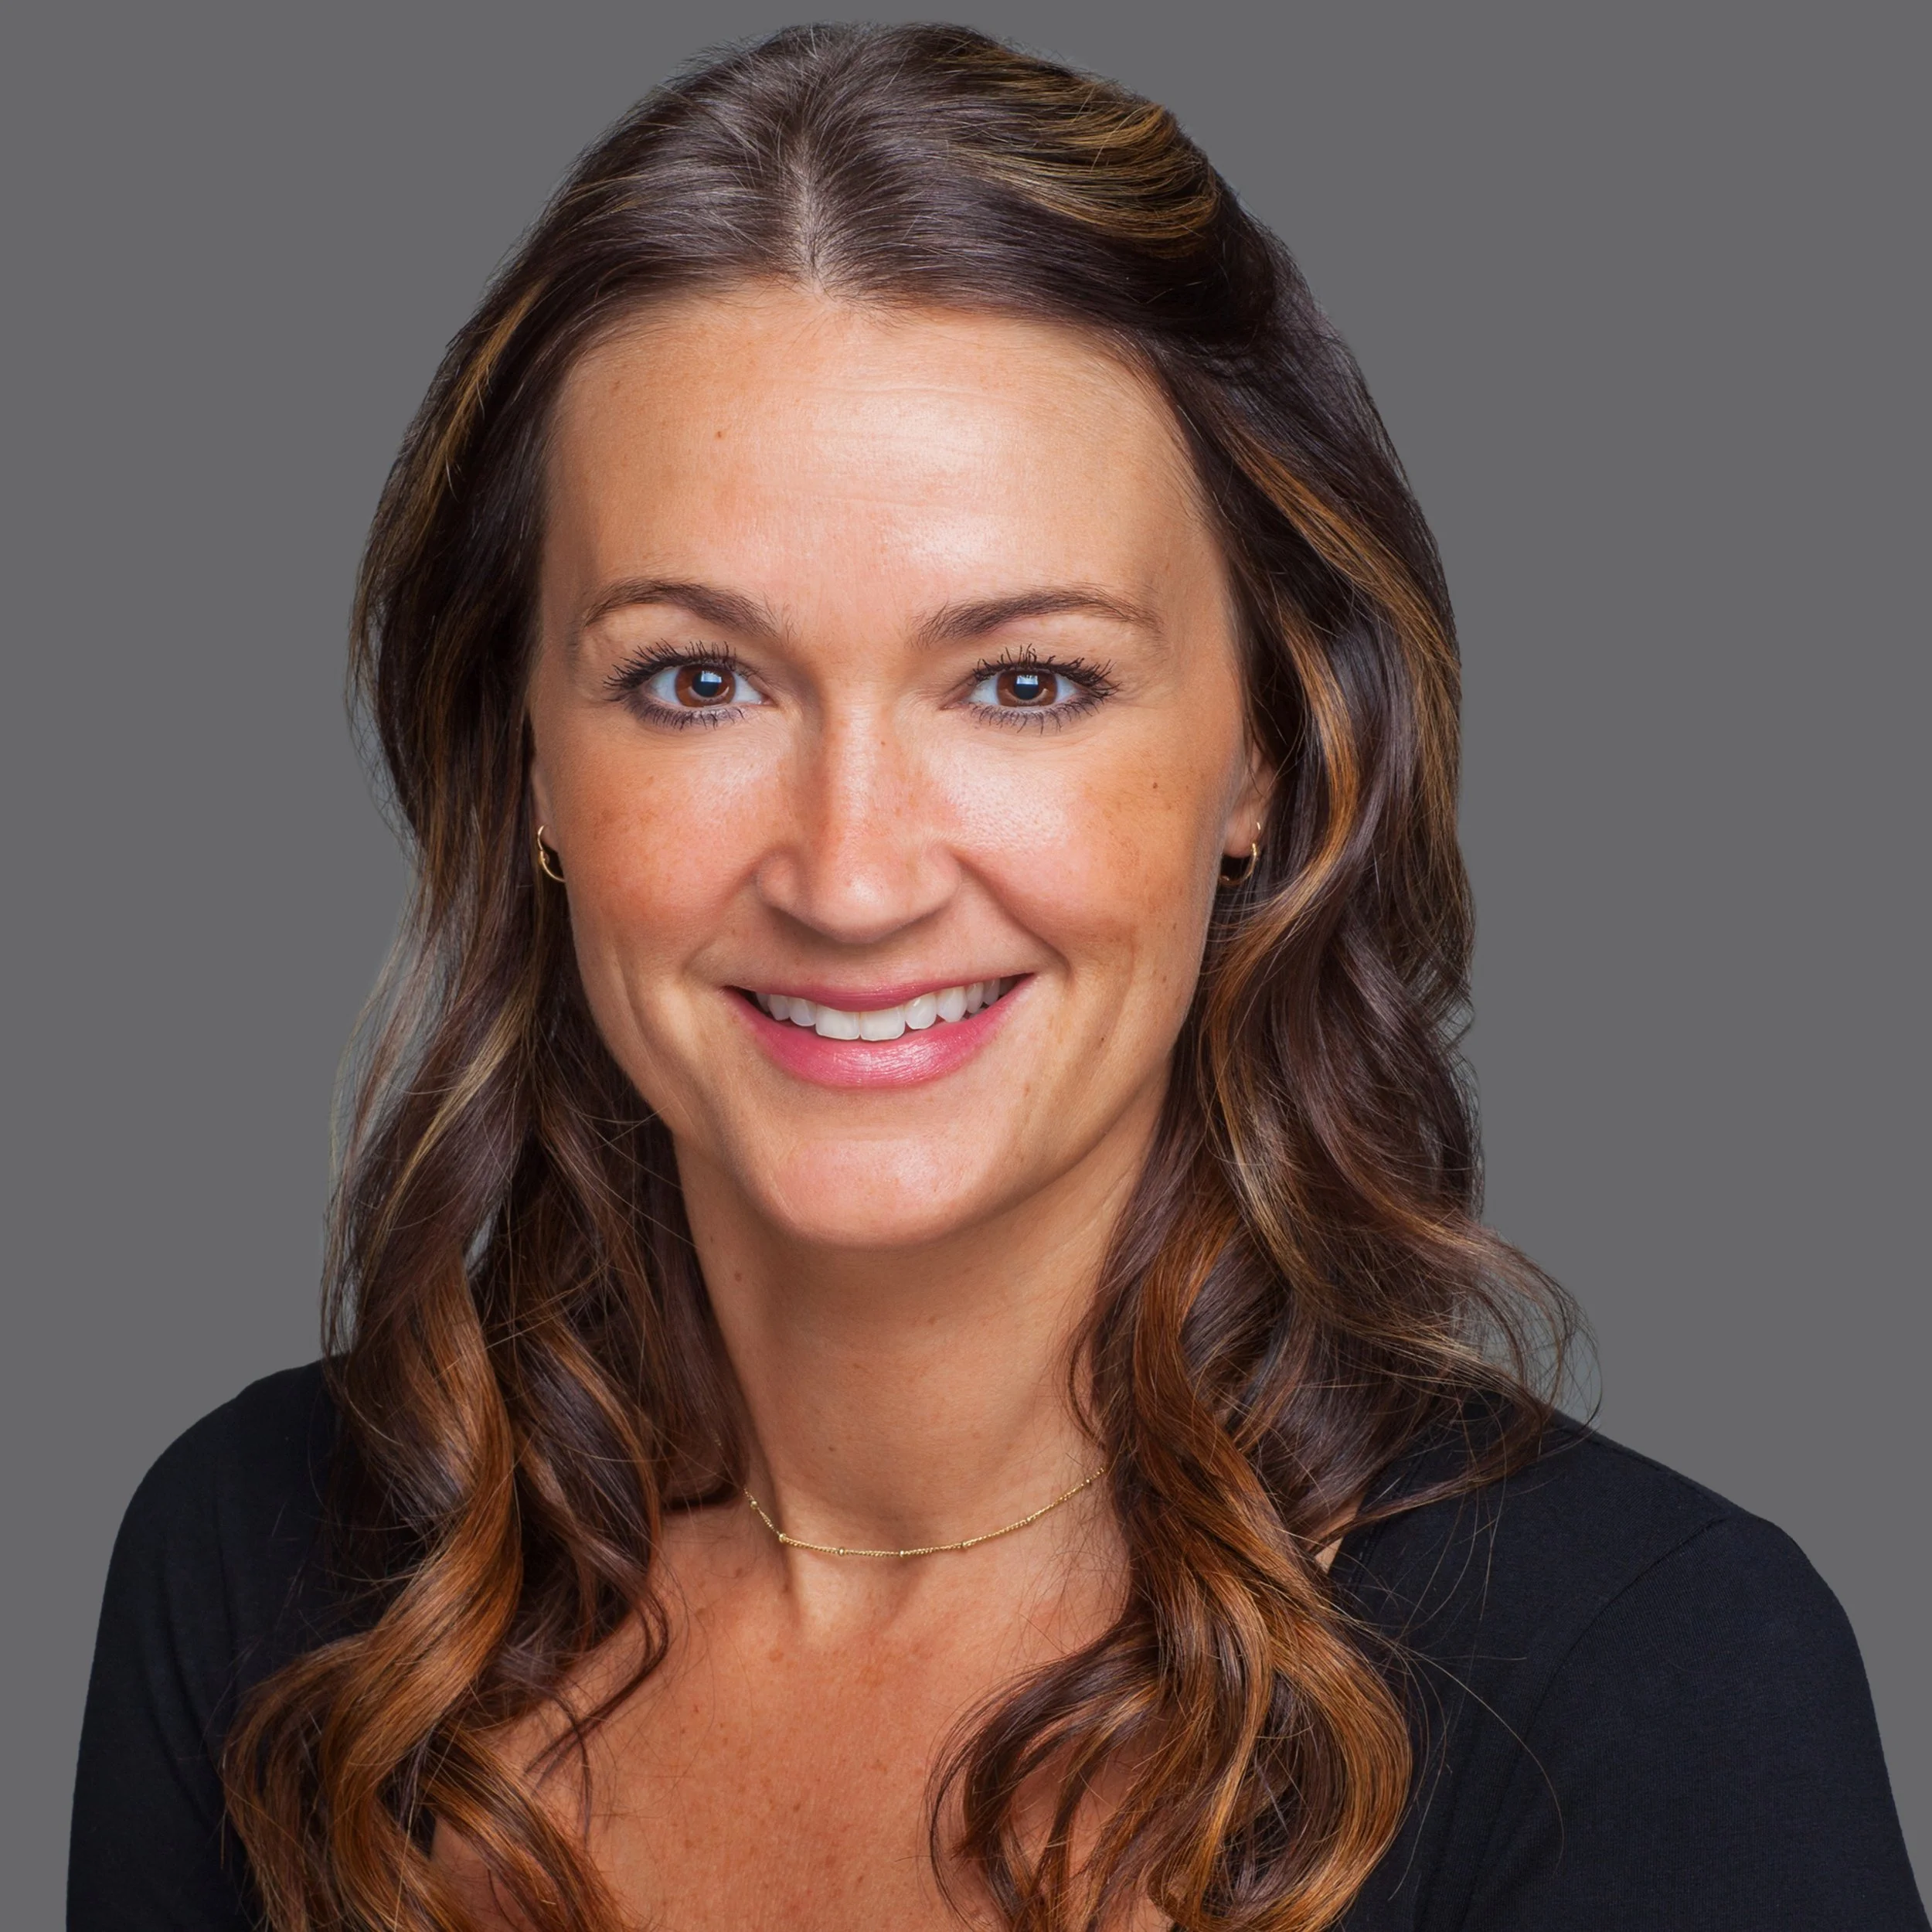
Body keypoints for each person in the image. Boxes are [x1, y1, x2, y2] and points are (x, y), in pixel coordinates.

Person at [67, 22, 1925, 1932]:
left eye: (1025, 681)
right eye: (694, 680)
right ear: (527, 757)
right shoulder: (255, 1571)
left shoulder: (1647, 1686)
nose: (852, 872)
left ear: (1266, 751)